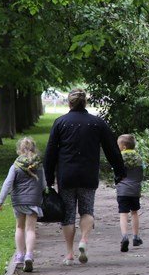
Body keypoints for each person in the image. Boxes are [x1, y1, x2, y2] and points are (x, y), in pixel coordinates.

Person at [44, 89, 126, 265]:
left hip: (66, 175)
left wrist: (48, 179)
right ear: (85, 102)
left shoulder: (60, 123)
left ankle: (69, 253)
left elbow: (50, 153)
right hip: (88, 174)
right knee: (87, 210)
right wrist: (119, 171)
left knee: (67, 215)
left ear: (69, 103)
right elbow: (112, 148)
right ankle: (84, 241)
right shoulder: (97, 123)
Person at [0, 137, 45, 273]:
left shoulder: (15, 165)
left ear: (20, 149)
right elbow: (43, 184)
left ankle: (20, 255)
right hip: (34, 200)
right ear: (34, 149)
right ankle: (29, 254)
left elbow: (8, 183)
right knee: (31, 229)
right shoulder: (39, 165)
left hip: (18, 201)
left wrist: (0, 201)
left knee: (19, 227)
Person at [115, 134, 145, 252]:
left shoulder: (119, 157)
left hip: (122, 190)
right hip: (135, 190)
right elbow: (141, 174)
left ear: (123, 146)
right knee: (134, 212)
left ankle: (124, 236)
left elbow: (117, 173)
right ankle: (136, 237)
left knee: (123, 214)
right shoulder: (138, 158)